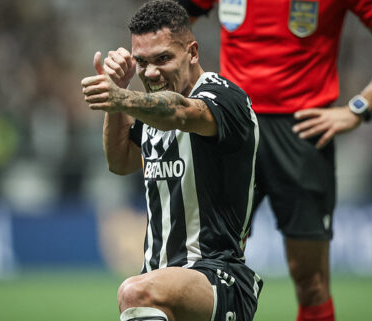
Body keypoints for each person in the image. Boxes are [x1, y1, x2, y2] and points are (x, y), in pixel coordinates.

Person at [177, 0, 372, 320]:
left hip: (302, 132)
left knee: (311, 281)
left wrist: (358, 109)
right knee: (202, 270)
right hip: (232, 126)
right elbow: (170, 28)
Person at [81, 1, 263, 320]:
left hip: (218, 279)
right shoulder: (149, 110)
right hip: (161, 281)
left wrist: (121, 97)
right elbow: (120, 161)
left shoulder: (224, 99)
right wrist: (118, 98)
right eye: (142, 62)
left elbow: (177, 112)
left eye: (163, 58)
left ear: (192, 52)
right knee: (141, 291)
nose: (151, 72)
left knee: (135, 292)